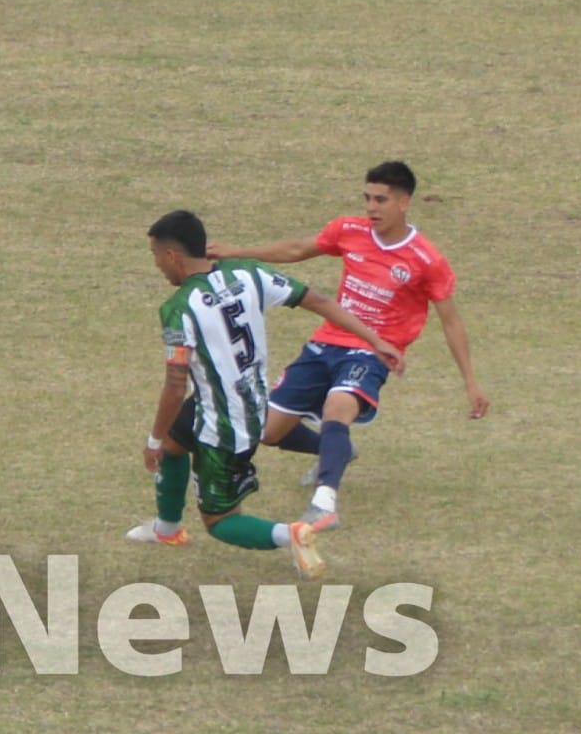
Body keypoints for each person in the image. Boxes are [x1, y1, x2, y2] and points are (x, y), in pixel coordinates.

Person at [206, 161, 490, 530]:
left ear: (404, 203)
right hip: (326, 342)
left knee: (337, 406)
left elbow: (451, 321)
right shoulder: (349, 230)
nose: (371, 207)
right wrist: (235, 251)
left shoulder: (425, 260)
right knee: (269, 432)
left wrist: (470, 382)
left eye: (381, 200)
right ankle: (335, 451)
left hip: (374, 352)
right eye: (368, 198)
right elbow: (296, 249)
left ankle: (325, 503)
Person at [129, 211, 403, 578]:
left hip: (224, 425)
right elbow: (318, 300)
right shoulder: (248, 274)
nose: (157, 264)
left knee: (220, 520)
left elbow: (175, 385)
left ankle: (291, 534)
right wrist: (374, 340)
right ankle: (167, 529)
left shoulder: (179, 310)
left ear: (172, 256)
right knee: (175, 446)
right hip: (253, 405)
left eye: (156, 255)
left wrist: (152, 438)